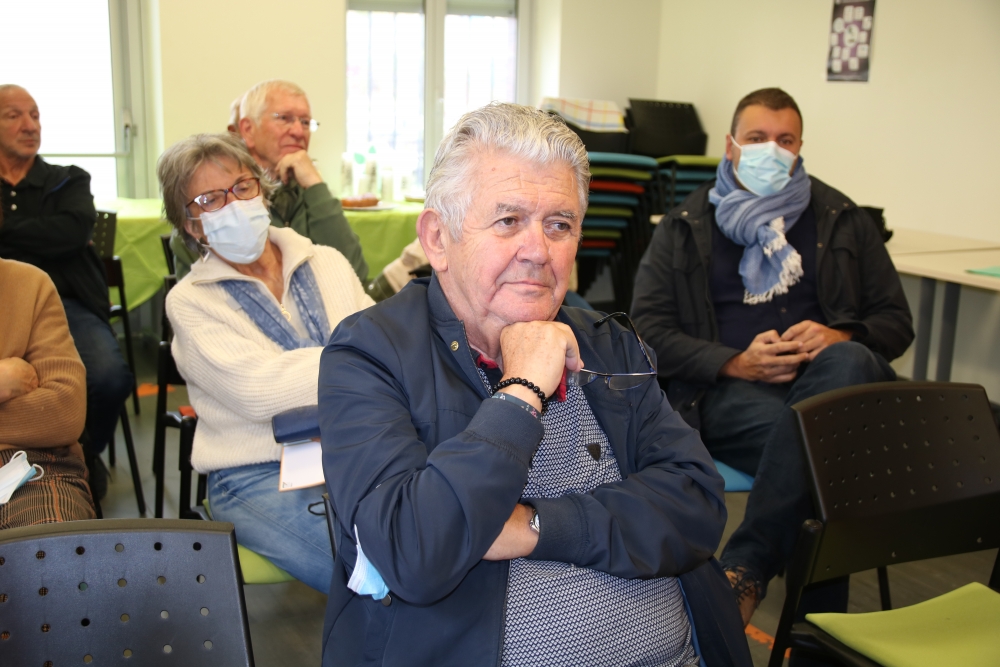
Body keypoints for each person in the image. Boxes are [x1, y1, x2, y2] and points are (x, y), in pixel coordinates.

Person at [318, 103, 751, 667]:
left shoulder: (606, 342)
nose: (538, 251)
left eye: (559, 225)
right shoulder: (369, 354)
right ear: (438, 239)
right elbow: (414, 552)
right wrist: (521, 391)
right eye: (508, 221)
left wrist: (534, 526)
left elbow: (697, 504)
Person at [631, 88, 913, 628]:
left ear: (800, 147)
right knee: (831, 461)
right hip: (729, 394)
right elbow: (646, 331)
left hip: (834, 385)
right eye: (757, 138)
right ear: (731, 146)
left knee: (848, 366)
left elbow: (896, 322)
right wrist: (734, 362)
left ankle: (746, 569)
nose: (771, 150)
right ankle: (814, 643)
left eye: (785, 140)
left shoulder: (842, 218)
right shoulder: (686, 225)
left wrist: (839, 334)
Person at [160, 133, 373, 592]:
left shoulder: (328, 262)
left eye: (242, 187)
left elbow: (389, 352)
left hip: (359, 448)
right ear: (192, 226)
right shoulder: (190, 301)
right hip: (258, 471)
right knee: (370, 569)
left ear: (263, 191)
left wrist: (358, 361)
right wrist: (357, 359)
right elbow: (260, 393)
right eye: (210, 200)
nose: (234, 205)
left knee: (434, 534)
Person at [0, 84, 133, 498]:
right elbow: (59, 236)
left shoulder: (68, 179)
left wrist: (7, 232)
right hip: (6, 307)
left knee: (110, 377)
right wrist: (43, 236)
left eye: (35, 115)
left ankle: (85, 452)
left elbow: (73, 232)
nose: (30, 125)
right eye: (14, 116)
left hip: (69, 301)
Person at [170, 80, 368, 283]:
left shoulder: (309, 193)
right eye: (284, 118)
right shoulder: (218, 208)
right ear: (247, 129)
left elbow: (355, 275)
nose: (298, 132)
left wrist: (315, 184)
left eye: (305, 122)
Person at [0, 193, 95, 528]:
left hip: (26, 462)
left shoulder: (29, 284)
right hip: (22, 441)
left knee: (46, 544)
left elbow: (64, 412)